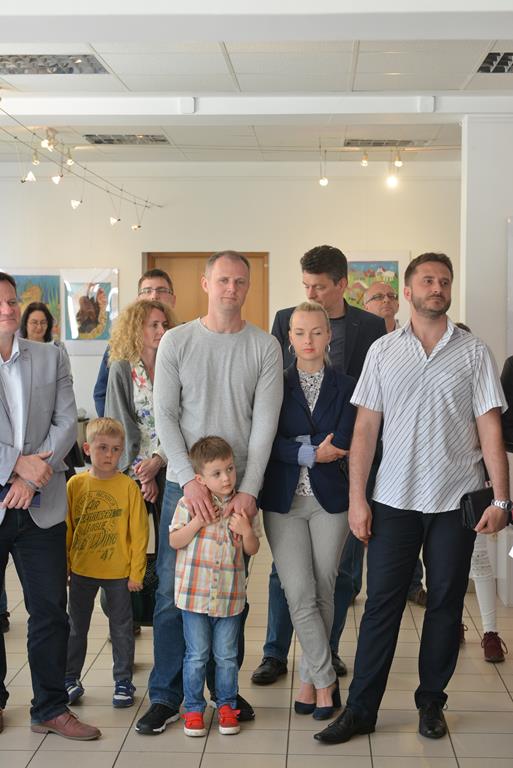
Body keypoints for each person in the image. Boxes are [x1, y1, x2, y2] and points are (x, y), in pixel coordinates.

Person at [314, 252, 511, 745]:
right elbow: (364, 430)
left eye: (444, 281)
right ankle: (361, 710)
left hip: (454, 501)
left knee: (445, 604)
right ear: (408, 291)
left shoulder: (474, 352)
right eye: (427, 280)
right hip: (393, 499)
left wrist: (503, 500)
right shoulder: (383, 352)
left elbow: (490, 429)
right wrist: (358, 499)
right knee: (381, 606)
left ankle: (431, 704)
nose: (437, 287)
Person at [135, 250, 282, 735]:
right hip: (187, 488)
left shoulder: (264, 346)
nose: (231, 289)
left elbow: (264, 426)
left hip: (236, 490)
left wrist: (249, 491)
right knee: (170, 594)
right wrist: (188, 479)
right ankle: (166, 695)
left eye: (239, 281)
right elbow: (166, 415)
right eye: (223, 280)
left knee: (230, 594)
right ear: (205, 283)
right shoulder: (177, 341)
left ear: (247, 286)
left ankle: (224, 691)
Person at [252, 244, 385, 687]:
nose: (310, 293)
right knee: (286, 576)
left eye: (319, 287)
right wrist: (306, 449)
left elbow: (367, 401)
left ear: (341, 285)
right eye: (306, 285)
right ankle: (275, 652)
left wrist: (336, 448)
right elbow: (272, 400)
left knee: (338, 575)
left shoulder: (370, 327)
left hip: (342, 475)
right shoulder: (285, 319)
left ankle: (325, 653)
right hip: (289, 482)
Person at [0, 271, 100, 740]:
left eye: (11, 300)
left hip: (43, 502)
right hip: (8, 490)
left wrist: (32, 472)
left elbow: (66, 420)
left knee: (50, 611)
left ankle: (50, 708)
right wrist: (14, 466)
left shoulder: (49, 355)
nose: (8, 308)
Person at [260, 301, 356, 720]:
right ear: (289, 338)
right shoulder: (275, 384)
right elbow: (265, 441)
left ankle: (308, 680)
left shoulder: (348, 386)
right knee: (298, 591)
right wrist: (311, 450)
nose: (309, 340)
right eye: (300, 333)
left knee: (323, 588)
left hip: (330, 501)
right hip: (284, 502)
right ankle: (326, 680)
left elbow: (346, 439)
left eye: (317, 332)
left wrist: (298, 444)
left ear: (329, 335)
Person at [170, 436, 260, 737]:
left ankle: (226, 705)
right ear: (200, 479)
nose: (226, 478)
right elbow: (174, 540)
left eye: (230, 469)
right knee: (196, 656)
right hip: (194, 598)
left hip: (229, 598)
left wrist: (246, 530)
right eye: (217, 473)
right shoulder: (187, 504)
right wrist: (197, 522)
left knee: (226, 657)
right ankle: (194, 709)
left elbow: (252, 549)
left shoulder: (243, 508)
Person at [65, 417, 149, 708]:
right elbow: (67, 528)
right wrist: (65, 566)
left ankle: (123, 681)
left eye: (115, 449)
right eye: (102, 448)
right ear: (87, 449)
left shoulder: (128, 487)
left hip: (119, 574)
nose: (109, 455)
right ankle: (69, 678)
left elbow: (139, 533)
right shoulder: (75, 485)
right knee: (76, 627)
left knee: (122, 629)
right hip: (81, 571)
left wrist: (136, 572)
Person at [363, 281, 427, 608]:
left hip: (406, 449)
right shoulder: (367, 343)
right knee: (365, 515)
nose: (385, 301)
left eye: (390, 296)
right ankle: (357, 583)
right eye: (377, 297)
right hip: (367, 444)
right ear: (365, 305)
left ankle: (413, 583)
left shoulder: (416, 338)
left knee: (407, 514)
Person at [455, 323, 508, 662]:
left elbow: (495, 438)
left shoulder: (482, 382)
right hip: (438, 491)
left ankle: (490, 632)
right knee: (444, 565)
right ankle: (454, 623)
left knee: (478, 560)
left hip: (475, 487)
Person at [105, 299, 175, 510]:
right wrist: (145, 475)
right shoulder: (121, 369)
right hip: (133, 470)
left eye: (165, 325)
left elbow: (180, 417)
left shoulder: (173, 366)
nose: (162, 331)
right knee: (136, 530)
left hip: (171, 463)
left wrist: (157, 461)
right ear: (136, 329)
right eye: (154, 325)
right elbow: (119, 426)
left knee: (171, 529)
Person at [94, 268, 176, 417]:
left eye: (161, 290)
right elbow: (102, 394)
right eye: (147, 290)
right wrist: (114, 427)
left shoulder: (182, 342)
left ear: (173, 299)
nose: (154, 296)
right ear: (138, 299)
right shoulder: (119, 345)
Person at [20, 302, 83, 480]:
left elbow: (67, 381)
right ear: (25, 324)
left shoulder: (57, 348)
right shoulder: (17, 349)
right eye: (34, 322)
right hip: (26, 421)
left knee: (59, 473)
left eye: (43, 322)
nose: (39, 327)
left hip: (53, 415)